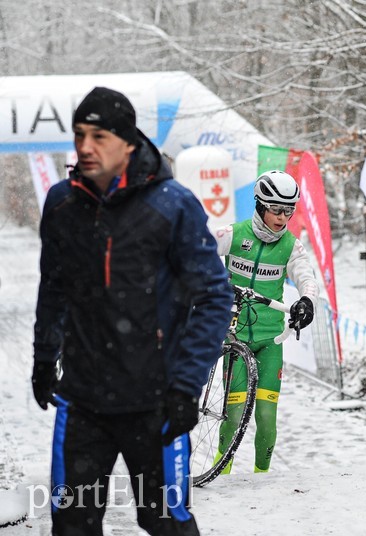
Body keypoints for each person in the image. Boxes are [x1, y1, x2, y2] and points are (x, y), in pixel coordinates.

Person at [31, 86, 233, 535]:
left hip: (154, 403)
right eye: (80, 134)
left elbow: (215, 297)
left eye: (99, 136)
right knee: (72, 524)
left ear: (127, 142)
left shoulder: (172, 204)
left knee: (166, 522)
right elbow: (54, 287)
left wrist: (186, 385)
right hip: (82, 402)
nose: (85, 146)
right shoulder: (61, 204)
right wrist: (44, 358)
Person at [214, 169, 319, 473]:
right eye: (276, 209)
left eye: (289, 210)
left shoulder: (291, 246)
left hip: (270, 340)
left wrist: (306, 302)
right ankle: (221, 471)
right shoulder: (233, 234)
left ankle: (263, 479)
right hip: (235, 337)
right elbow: (194, 251)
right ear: (260, 205)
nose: (282, 217)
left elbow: (307, 279)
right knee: (232, 415)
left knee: (267, 420)